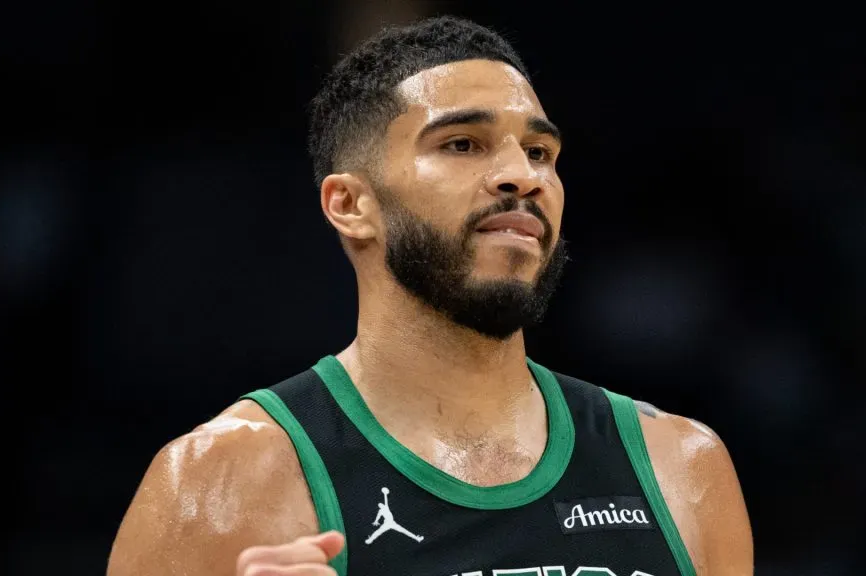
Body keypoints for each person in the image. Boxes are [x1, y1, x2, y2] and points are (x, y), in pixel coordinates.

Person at [107, 15, 752, 576]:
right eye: (463, 144)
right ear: (350, 205)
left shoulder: (681, 469)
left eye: (540, 151)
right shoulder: (220, 484)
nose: (521, 176)